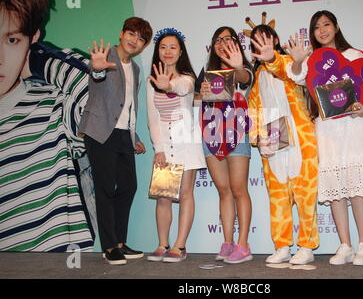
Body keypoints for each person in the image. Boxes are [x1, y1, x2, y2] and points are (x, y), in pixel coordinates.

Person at [278, 10, 363, 266]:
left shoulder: (356, 56)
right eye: (316, 27)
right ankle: (345, 245)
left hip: (354, 126)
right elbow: (297, 76)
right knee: (335, 186)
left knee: (357, 187)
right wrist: (298, 60)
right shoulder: (312, 60)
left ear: (336, 26)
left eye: (326, 24)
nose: (322, 30)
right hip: (327, 129)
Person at [0, 0, 94, 251]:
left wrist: (40, 58)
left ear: (32, 38)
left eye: (12, 39)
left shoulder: (51, 102)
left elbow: (102, 98)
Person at [78, 17, 152, 265]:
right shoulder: (105, 55)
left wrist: (135, 136)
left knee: (129, 186)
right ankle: (109, 246)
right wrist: (98, 68)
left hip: (123, 134)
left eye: (141, 39)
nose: (135, 41)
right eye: (132, 34)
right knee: (106, 188)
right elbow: (96, 76)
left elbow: (129, 106)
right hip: (100, 131)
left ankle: (120, 242)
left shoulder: (136, 69)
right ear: (121, 33)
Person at [248, 25, 319, 265]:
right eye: (256, 41)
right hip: (273, 140)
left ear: (275, 40)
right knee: (278, 197)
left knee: (305, 194)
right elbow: (254, 107)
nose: (262, 44)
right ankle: (282, 245)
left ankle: (307, 246)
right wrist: (257, 137)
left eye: (266, 39)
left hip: (300, 139)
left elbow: (294, 74)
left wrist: (275, 59)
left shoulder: (289, 61)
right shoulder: (258, 75)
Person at [146, 28, 206, 263]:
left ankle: (180, 246)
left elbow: (183, 88)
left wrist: (168, 85)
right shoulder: (152, 80)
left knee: (185, 194)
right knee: (163, 196)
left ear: (180, 51)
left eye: (173, 47)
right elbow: (152, 118)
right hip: (165, 145)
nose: (168, 51)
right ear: (158, 52)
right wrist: (158, 148)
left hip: (186, 143)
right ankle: (163, 244)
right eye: (163, 47)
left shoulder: (188, 78)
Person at [196, 26, 254, 264]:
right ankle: (228, 242)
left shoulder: (244, 69)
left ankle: (243, 245)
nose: (222, 43)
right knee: (223, 190)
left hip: (236, 132)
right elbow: (195, 98)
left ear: (237, 44)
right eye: (218, 39)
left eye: (228, 39)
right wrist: (200, 92)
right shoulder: (207, 71)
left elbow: (244, 78)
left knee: (239, 189)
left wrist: (238, 65)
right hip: (210, 134)